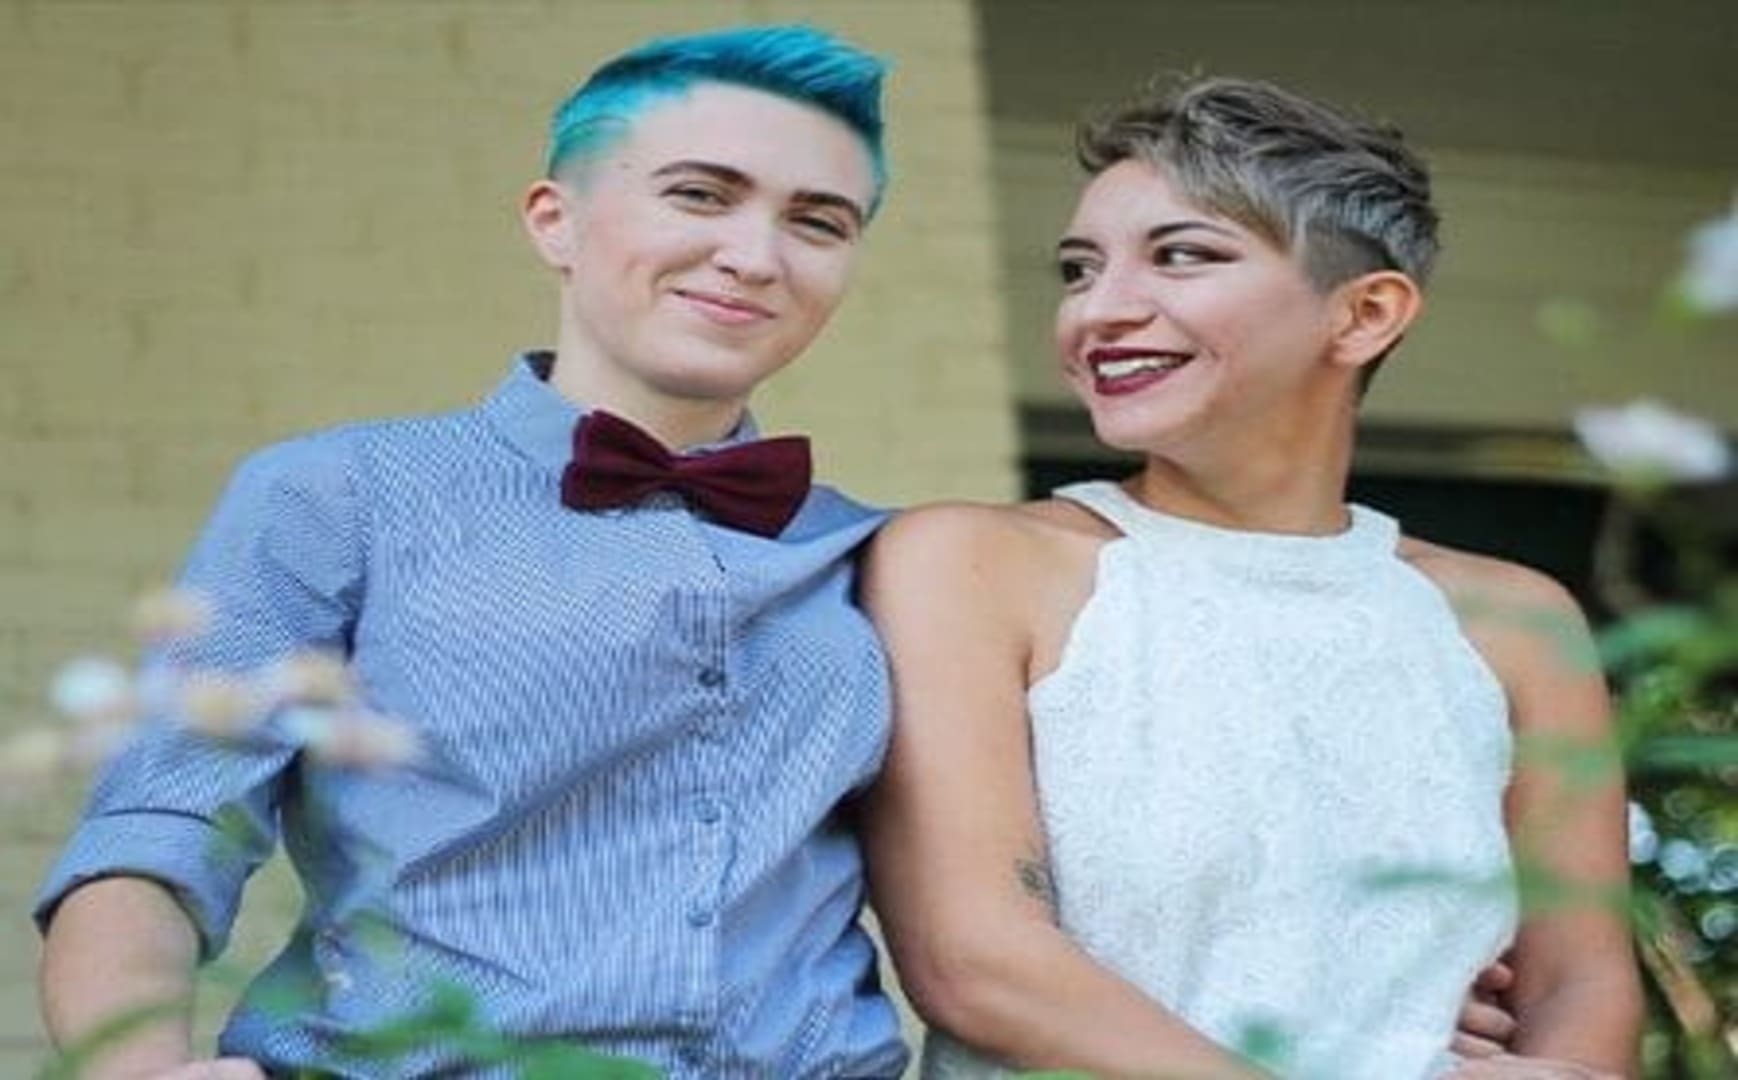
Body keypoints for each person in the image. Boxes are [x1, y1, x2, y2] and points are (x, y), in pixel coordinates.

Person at [35, 25, 910, 1079]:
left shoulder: (882, 555)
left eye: (818, 222)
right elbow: (161, 833)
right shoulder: (337, 493)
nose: (755, 256)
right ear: (557, 221)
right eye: (699, 195)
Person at [860, 75, 1642, 1080]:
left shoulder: (1516, 620)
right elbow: (975, 962)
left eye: (1182, 256)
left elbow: (1580, 983)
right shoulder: (967, 563)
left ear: (1362, 315)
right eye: (1077, 269)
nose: (1100, 311)